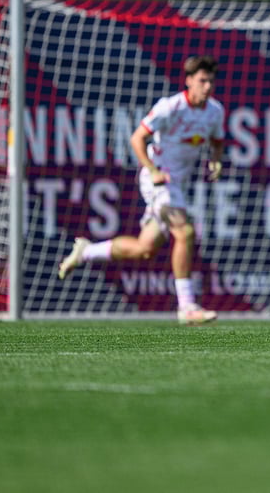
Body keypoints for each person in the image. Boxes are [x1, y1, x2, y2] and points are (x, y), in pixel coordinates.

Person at [58, 55, 225, 325]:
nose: (207, 87)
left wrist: (215, 160)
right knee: (185, 232)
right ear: (189, 81)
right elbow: (137, 138)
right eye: (202, 81)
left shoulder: (215, 111)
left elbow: (217, 141)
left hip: (178, 185)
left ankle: (86, 251)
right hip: (156, 179)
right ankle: (187, 306)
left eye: (210, 81)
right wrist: (153, 170)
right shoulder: (170, 107)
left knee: (145, 248)